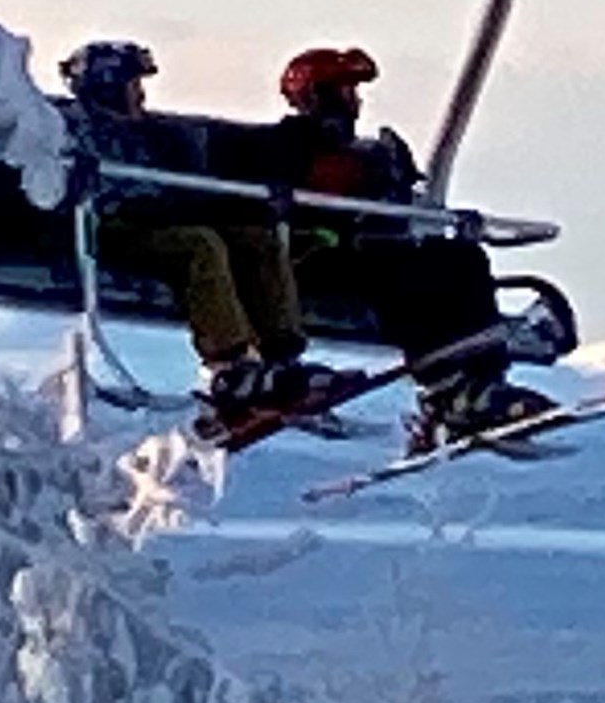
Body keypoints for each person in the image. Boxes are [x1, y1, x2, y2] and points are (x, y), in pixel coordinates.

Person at [265, 45, 559, 448]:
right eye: (344, 91)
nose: (354, 102)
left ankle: (482, 382)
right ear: (315, 96)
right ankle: (443, 388)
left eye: (354, 92)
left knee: (462, 258)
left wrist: (443, 221)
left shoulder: (369, 156)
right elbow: (280, 208)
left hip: (369, 250)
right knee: (405, 278)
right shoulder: (286, 147)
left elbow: (400, 206)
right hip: (315, 260)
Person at [58, 40, 347, 432]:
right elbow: (80, 185)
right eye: (133, 85)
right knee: (200, 246)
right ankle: (229, 367)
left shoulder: (157, 135)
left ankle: (281, 360)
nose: (140, 95)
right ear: (107, 86)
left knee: (254, 239)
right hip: (113, 229)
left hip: (165, 221)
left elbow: (191, 182)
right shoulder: (73, 128)